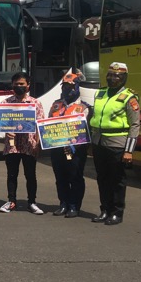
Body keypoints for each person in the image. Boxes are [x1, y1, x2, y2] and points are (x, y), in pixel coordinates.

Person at [88, 62, 139, 225]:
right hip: (98, 141)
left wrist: (129, 151)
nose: (112, 78)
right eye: (110, 75)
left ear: (124, 78)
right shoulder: (100, 93)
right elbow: (92, 117)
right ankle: (105, 209)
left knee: (117, 179)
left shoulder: (129, 97)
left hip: (117, 143)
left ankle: (117, 212)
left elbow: (135, 125)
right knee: (102, 178)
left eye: (117, 76)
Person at [0, 72, 46, 215]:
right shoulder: (5, 103)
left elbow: (40, 124)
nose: (19, 86)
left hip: (29, 145)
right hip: (11, 145)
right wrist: (6, 130)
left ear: (28, 86)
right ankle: (11, 201)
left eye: (22, 84)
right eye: (16, 84)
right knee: (12, 174)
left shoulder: (35, 103)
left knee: (30, 175)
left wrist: (37, 144)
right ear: (12, 85)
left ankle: (32, 202)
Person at [48, 68, 92, 219]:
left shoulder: (84, 107)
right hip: (57, 149)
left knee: (75, 177)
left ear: (77, 87)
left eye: (71, 86)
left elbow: (86, 130)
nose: (68, 89)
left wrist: (76, 144)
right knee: (60, 177)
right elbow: (48, 126)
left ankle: (74, 206)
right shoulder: (55, 105)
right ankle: (63, 204)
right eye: (65, 87)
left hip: (75, 150)